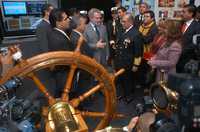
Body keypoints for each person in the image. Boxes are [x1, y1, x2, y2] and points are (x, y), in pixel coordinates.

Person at [113, 13, 143, 104]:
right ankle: (123, 93)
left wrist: (135, 65)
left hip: (128, 62)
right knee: (121, 79)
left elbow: (138, 52)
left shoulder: (136, 34)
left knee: (128, 80)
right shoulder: (123, 30)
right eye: (122, 21)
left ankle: (129, 95)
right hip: (119, 60)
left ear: (130, 22)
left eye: (124, 21)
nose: (122, 23)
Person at [48, 8, 73, 97]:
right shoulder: (58, 39)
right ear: (58, 23)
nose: (69, 20)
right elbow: (66, 62)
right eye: (66, 19)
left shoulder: (56, 34)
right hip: (64, 77)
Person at [176, 4, 200, 73]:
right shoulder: (180, 24)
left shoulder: (197, 26)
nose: (181, 14)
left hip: (188, 60)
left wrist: (181, 51)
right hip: (176, 59)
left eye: (184, 12)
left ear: (191, 13)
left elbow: (195, 43)